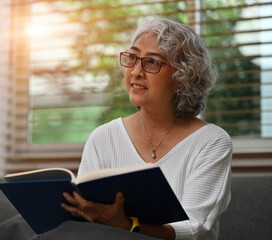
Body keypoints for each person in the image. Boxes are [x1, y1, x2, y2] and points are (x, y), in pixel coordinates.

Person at [61, 18, 232, 240]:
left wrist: (129, 226)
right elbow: (89, 215)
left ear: (182, 77)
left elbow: (196, 229)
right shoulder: (103, 137)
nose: (136, 71)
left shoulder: (212, 141)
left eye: (152, 62)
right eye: (132, 58)